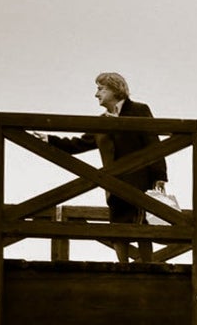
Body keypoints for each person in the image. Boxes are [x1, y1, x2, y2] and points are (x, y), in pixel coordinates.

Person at [42, 72, 167, 260]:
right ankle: (122, 267)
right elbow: (78, 144)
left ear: (116, 90)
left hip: (140, 181)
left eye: (101, 89)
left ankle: (147, 266)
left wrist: (160, 176)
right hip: (113, 183)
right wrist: (49, 140)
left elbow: (153, 144)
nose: (96, 94)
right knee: (118, 225)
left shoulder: (139, 110)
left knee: (142, 225)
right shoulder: (101, 121)